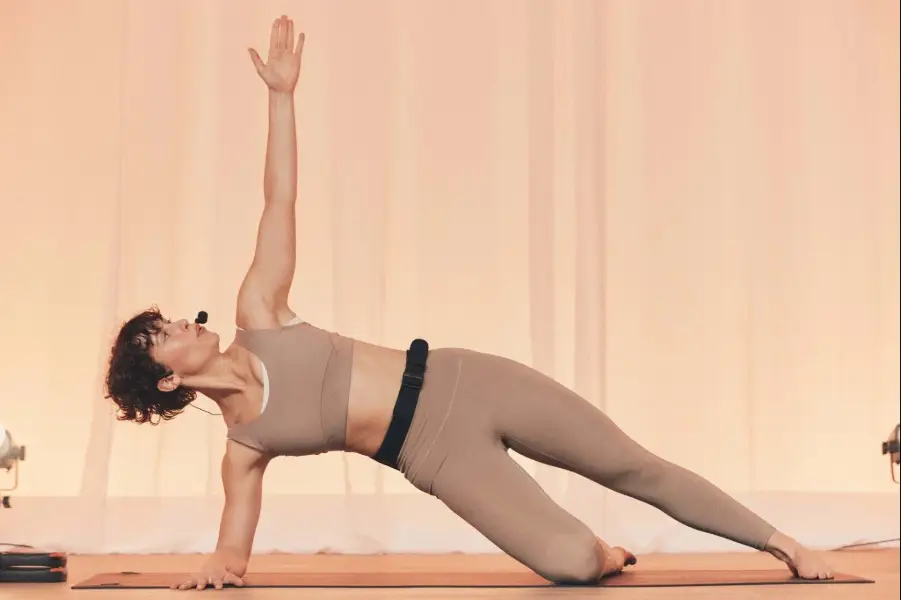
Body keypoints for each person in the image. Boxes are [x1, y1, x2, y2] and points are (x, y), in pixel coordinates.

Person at [103, 15, 835, 592]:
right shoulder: (243, 449)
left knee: (629, 466)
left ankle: (782, 542)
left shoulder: (257, 312)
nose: (171, 324)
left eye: (162, 320)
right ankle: (599, 550)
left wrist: (282, 100)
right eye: (155, 338)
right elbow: (234, 550)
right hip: (433, 456)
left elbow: (279, 198)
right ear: (167, 380)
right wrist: (215, 569)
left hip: (464, 381)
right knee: (574, 567)